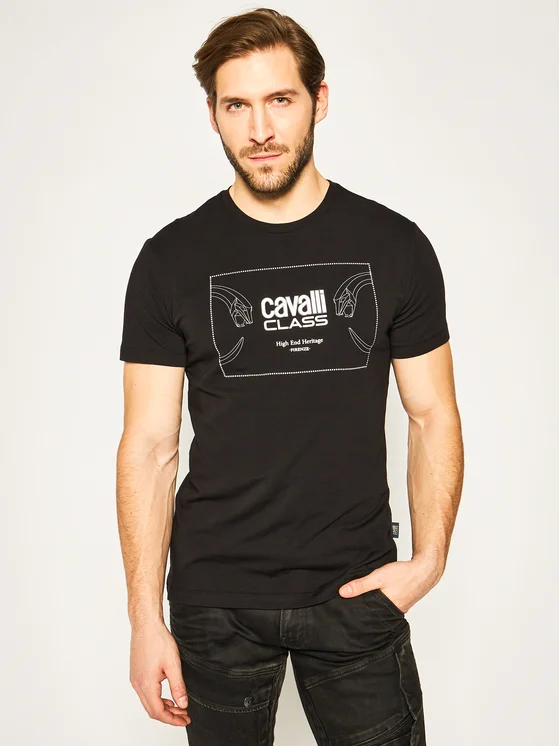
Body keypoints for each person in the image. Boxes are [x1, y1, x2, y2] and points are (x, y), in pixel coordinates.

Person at [116, 7, 464, 745]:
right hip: (216, 603)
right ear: (212, 114)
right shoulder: (169, 260)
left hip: (355, 592)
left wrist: (428, 562)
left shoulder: (394, 246)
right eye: (236, 105)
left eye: (280, 99)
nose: (261, 129)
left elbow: (432, 412)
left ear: (319, 100)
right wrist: (144, 620)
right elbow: (148, 445)